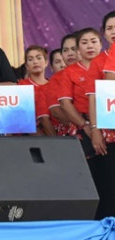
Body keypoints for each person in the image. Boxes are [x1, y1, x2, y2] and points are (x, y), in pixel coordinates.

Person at [59, 28, 115, 219]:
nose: (90, 46)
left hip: (108, 123)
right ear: (78, 49)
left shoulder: (105, 63)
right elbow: (66, 104)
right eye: (84, 43)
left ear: (101, 44)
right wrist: (88, 126)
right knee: (95, 176)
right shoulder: (70, 72)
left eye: (93, 41)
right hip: (86, 126)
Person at [17, 46, 54, 136]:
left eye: (38, 58)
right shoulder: (22, 86)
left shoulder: (54, 85)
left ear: (46, 62)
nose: (35, 62)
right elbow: (23, 118)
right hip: (31, 135)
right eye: (30, 59)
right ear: (27, 66)